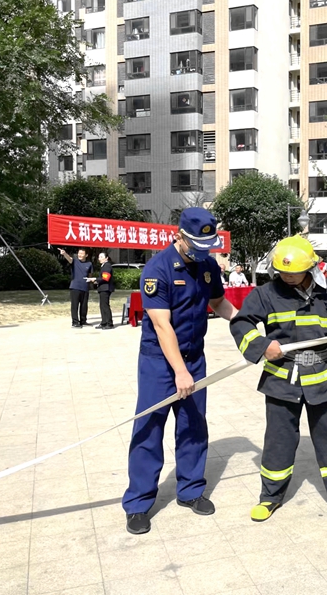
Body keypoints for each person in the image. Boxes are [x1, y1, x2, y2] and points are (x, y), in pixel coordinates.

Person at [230, 235, 327, 522]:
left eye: (294, 272)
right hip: (282, 380)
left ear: (311, 267)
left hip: (323, 378)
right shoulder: (266, 294)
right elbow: (241, 323)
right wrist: (262, 346)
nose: (287, 277)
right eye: (282, 272)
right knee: (278, 441)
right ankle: (270, 497)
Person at [122, 208, 238, 535]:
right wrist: (179, 372)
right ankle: (138, 503)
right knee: (149, 427)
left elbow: (219, 303)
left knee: (193, 425)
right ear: (179, 236)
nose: (203, 253)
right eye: (197, 246)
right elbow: (162, 326)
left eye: (207, 247)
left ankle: (190, 490)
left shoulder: (208, 266)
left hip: (194, 357)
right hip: (159, 362)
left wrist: (247, 323)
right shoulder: (157, 269)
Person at [58, 247, 94, 328]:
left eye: (82, 253)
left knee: (84, 306)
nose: (80, 255)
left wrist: (91, 283)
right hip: (75, 287)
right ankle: (75, 322)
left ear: (86, 255)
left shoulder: (89, 264)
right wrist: (64, 254)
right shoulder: (75, 261)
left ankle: (83, 321)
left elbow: (90, 275)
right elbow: (69, 259)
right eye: (79, 253)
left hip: (85, 287)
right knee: (75, 305)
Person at [94, 252, 115, 329]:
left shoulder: (107, 266)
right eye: (99, 257)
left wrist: (95, 279)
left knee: (105, 306)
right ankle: (104, 322)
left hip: (105, 288)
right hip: (103, 288)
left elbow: (105, 278)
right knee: (102, 306)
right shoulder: (104, 266)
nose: (100, 258)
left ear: (106, 258)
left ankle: (109, 323)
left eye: (102, 257)